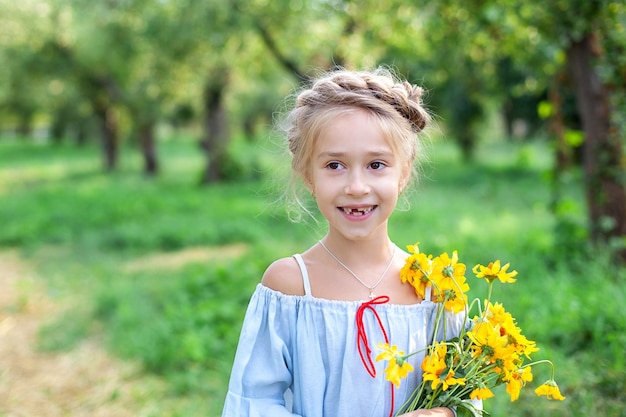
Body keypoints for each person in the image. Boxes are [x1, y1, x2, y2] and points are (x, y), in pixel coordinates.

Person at [222, 67, 464, 417]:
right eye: (334, 165)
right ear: (308, 174)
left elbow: (466, 396)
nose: (356, 187)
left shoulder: (434, 287)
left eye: (376, 164)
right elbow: (254, 404)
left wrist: (442, 413)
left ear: (404, 172)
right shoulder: (290, 286)